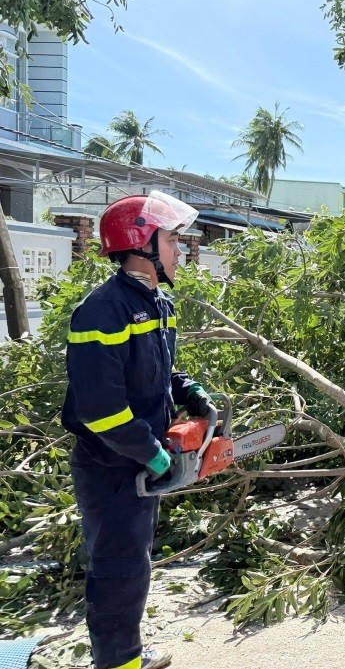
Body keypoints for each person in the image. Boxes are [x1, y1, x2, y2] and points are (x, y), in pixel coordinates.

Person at [63, 192, 215, 669]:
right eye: (171, 240)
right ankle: (119, 663)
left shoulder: (158, 303)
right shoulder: (103, 310)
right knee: (118, 569)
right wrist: (153, 453)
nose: (178, 250)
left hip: (139, 460)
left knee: (135, 562)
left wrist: (190, 392)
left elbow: (158, 370)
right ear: (141, 244)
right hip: (110, 464)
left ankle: (125, 655)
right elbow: (100, 409)